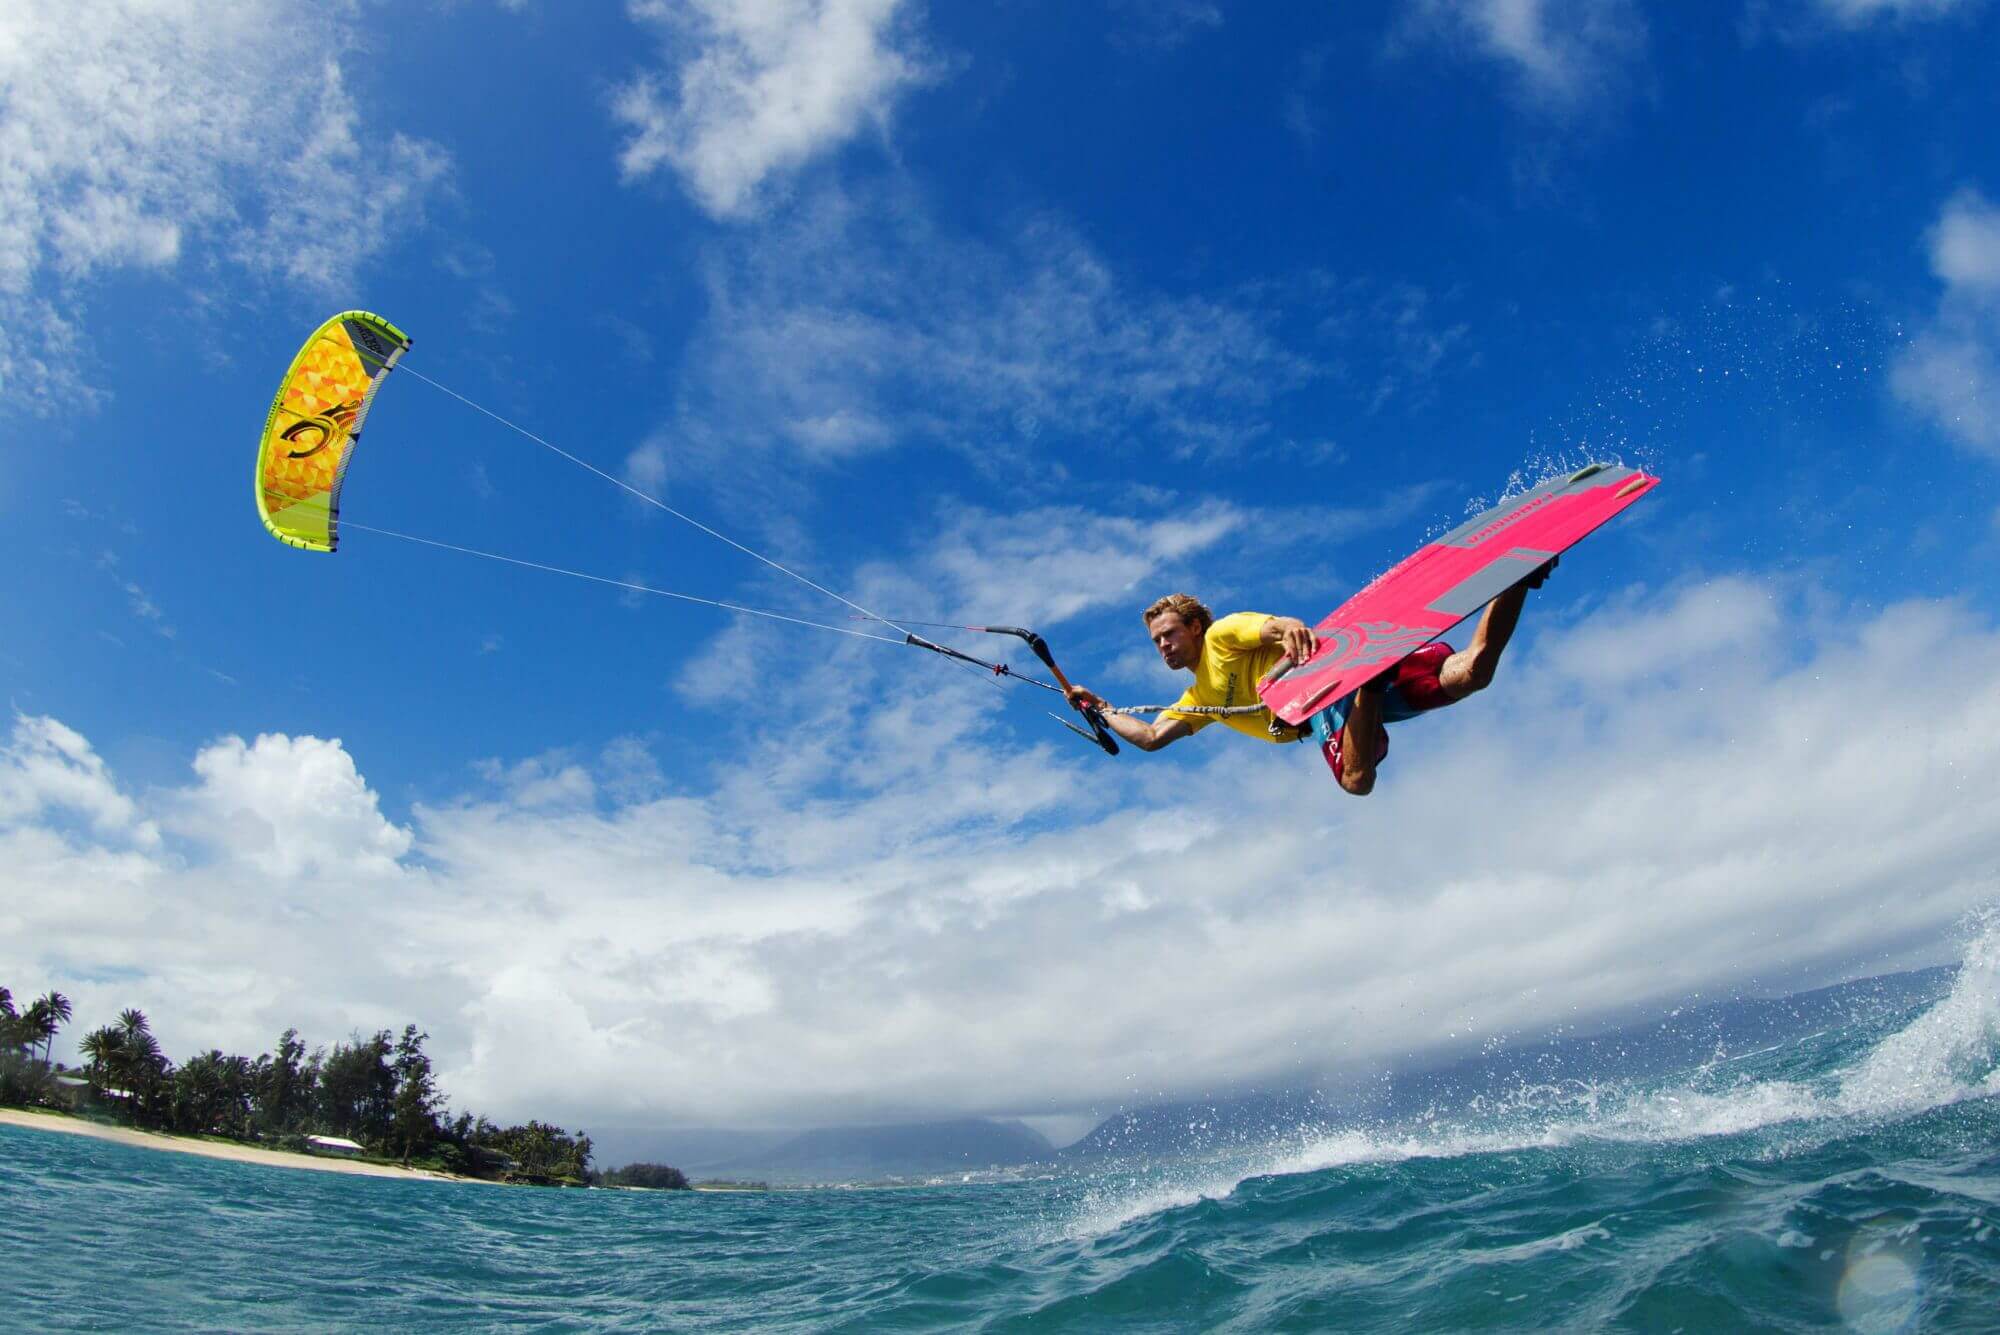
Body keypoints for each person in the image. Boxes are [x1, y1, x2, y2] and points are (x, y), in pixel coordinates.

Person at [1063, 562, 1552, 795]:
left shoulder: (1222, 636)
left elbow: (1278, 627)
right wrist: (1099, 708)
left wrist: (1290, 629)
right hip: (1352, 688)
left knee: (1357, 780)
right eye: (1156, 642)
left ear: (1194, 627)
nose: (1163, 645)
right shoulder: (1201, 697)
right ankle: (1517, 580)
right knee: (1472, 674)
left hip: (1327, 689)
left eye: (1169, 634)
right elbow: (1149, 738)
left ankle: (1370, 680)